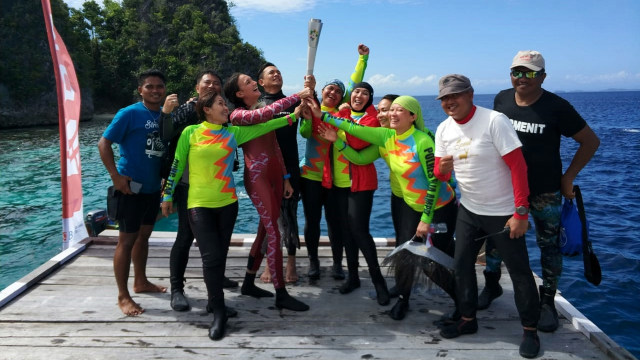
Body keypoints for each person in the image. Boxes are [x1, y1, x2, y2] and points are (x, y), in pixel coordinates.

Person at [161, 90, 303, 340]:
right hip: (199, 204)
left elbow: (267, 125)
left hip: (228, 204)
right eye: (220, 104)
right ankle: (218, 311)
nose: (226, 108)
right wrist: (167, 195)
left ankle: (215, 302)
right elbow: (177, 164)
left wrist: (293, 117)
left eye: (225, 104)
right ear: (206, 109)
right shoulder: (190, 133)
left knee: (220, 256)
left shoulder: (232, 133)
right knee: (211, 257)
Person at [478, 50, 600, 332]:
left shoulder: (558, 107)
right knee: (496, 239)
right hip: (505, 188)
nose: (522, 78)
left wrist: (568, 177)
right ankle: (492, 284)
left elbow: (590, 141)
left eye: (530, 73)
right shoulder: (502, 99)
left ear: (542, 76)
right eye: (517, 72)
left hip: (544, 190)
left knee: (549, 247)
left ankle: (547, 302)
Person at [314, 96, 457, 316]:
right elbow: (357, 147)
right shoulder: (386, 137)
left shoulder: (423, 140)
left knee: (432, 261)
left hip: (439, 207)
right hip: (409, 203)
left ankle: (464, 303)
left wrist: (425, 219)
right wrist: (332, 131)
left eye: (396, 110)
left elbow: (435, 182)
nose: (389, 114)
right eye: (385, 110)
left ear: (413, 116)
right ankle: (404, 298)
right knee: (405, 252)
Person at [433, 74, 541, 358]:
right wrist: (443, 170)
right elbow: (441, 174)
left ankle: (530, 330)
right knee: (462, 266)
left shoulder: (494, 121)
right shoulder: (443, 129)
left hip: (504, 211)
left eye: (454, 95)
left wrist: (520, 212)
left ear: (470, 94)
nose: (449, 102)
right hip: (469, 209)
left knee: (519, 272)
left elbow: (518, 167)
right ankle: (468, 319)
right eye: (444, 98)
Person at [224, 72, 313, 311]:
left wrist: (285, 178)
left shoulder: (263, 108)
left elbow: (275, 146)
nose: (254, 83)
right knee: (274, 232)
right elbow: (264, 114)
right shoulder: (238, 115)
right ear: (239, 94)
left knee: (265, 232)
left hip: (275, 176)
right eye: (249, 82)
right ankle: (281, 292)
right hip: (257, 177)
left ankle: (248, 283)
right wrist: (297, 95)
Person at [159, 70, 238, 313]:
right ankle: (176, 289)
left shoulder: (224, 112)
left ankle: (216, 281)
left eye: (217, 83)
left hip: (217, 186)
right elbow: (166, 136)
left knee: (219, 241)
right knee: (184, 237)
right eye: (207, 82)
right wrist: (165, 113)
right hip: (188, 186)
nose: (212, 85)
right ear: (197, 87)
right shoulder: (186, 110)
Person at [97, 69, 169, 317]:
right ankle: (123, 295)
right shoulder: (128, 113)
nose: (155, 90)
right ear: (141, 90)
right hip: (130, 187)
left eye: (159, 86)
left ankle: (140, 281)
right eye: (149, 86)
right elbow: (104, 143)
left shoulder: (164, 115)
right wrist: (115, 176)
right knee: (126, 240)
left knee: (144, 236)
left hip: (152, 188)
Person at [299, 43, 369, 281]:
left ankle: (338, 263)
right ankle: (313, 262)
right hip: (311, 175)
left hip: (336, 179)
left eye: (337, 92)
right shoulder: (313, 107)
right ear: (323, 91)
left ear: (342, 97)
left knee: (336, 222)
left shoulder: (341, 113)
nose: (333, 93)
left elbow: (354, 84)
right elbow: (306, 134)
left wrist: (362, 60)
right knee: (312, 222)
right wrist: (308, 118)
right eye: (329, 89)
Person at [327, 81, 391, 304]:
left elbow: (357, 140)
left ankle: (378, 283)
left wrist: (342, 118)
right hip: (338, 182)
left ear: (370, 99)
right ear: (350, 95)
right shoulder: (341, 113)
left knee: (360, 231)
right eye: (356, 91)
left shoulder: (372, 119)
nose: (359, 95)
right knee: (346, 231)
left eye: (365, 93)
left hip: (361, 183)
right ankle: (353, 277)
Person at [255, 63, 316, 284]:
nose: (277, 74)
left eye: (279, 71)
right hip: (264, 170)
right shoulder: (257, 105)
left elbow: (310, 117)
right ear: (261, 82)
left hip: (289, 168)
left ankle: (290, 262)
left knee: (289, 217)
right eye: (271, 72)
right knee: (266, 219)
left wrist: (311, 92)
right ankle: (268, 262)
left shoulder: (293, 102)